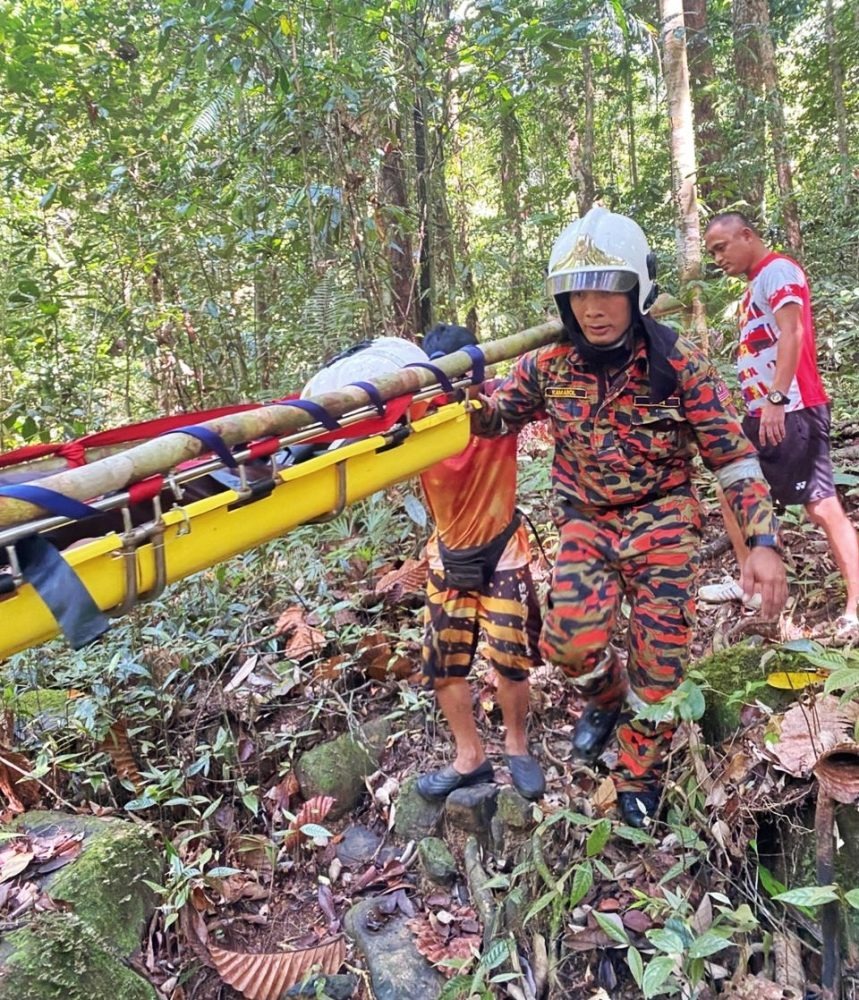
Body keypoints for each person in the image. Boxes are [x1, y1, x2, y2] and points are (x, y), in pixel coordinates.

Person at [472, 207, 788, 826]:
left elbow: (734, 460)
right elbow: (495, 416)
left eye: (608, 290)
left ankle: (637, 773)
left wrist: (763, 542)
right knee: (566, 644)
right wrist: (446, 398)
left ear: (635, 290)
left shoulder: (678, 364)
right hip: (587, 520)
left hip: (663, 518)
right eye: (579, 292)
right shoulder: (548, 364)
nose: (593, 308)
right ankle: (608, 699)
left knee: (660, 658)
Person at [700, 212, 859, 633]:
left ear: (747, 236)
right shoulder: (757, 284)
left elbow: (794, 333)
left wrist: (775, 398)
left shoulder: (778, 270)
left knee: (822, 506)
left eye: (722, 247)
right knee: (730, 490)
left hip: (792, 410)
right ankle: (750, 582)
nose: (718, 258)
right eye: (712, 252)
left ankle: (855, 607)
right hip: (764, 412)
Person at [414, 323, 546, 802]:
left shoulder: (500, 404)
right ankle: (468, 755)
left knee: (511, 662)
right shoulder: (417, 417)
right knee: (443, 667)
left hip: (503, 551)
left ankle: (517, 745)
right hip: (447, 555)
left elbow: (548, 378)